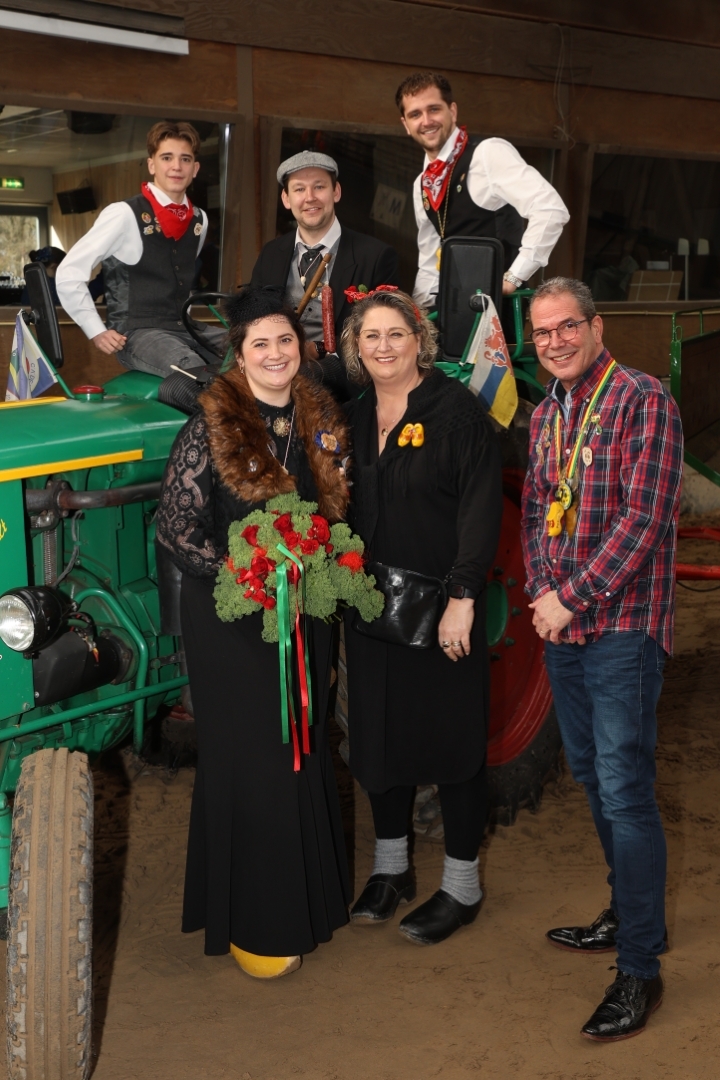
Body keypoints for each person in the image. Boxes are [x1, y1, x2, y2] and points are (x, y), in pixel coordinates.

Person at [155, 286, 351, 977]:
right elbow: (176, 527)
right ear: (240, 356)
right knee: (258, 758)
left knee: (303, 748)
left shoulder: (319, 419)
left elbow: (335, 513)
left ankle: (306, 901)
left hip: (304, 613)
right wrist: (252, 574)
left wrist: (320, 567)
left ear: (302, 348)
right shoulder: (211, 426)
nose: (275, 353)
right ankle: (258, 923)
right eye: (259, 343)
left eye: (285, 340)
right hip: (233, 618)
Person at [520, 277, 683, 1041]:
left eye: (567, 326)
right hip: (564, 626)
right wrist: (540, 591)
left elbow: (644, 518)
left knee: (624, 790)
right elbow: (535, 511)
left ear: (595, 327)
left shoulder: (642, 399)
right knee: (590, 775)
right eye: (542, 332)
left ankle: (640, 969)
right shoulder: (546, 412)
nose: (555, 341)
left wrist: (572, 596)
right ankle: (629, 910)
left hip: (622, 626)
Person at [340, 287, 503, 945]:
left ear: (419, 341)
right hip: (370, 606)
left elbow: (480, 511)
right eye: (370, 336)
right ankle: (392, 869)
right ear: (356, 347)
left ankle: (462, 886)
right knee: (377, 738)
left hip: (440, 609)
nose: (383, 347)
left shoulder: (457, 413)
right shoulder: (352, 416)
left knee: (453, 744)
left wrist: (463, 598)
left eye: (395, 334)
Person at [56, 120, 226, 378]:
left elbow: (180, 277)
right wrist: (96, 330)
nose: (176, 166)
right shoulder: (123, 214)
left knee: (254, 352)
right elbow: (68, 273)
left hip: (185, 328)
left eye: (185, 159)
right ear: (151, 165)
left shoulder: (198, 219)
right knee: (194, 370)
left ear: (195, 168)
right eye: (166, 158)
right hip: (137, 334)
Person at [395, 72, 569, 308]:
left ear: (452, 111)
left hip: (497, 312)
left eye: (434, 109)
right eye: (415, 114)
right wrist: (420, 317)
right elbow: (429, 265)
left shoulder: (487, 154)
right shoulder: (422, 184)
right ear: (406, 124)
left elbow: (551, 209)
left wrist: (514, 277)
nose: (426, 121)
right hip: (454, 312)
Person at [251, 150, 400, 396]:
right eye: (299, 189)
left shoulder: (376, 256)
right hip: (275, 369)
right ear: (286, 199)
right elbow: (253, 322)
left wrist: (317, 349)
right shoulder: (271, 253)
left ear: (336, 192)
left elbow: (384, 335)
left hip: (344, 379)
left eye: (319, 187)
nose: (310, 198)